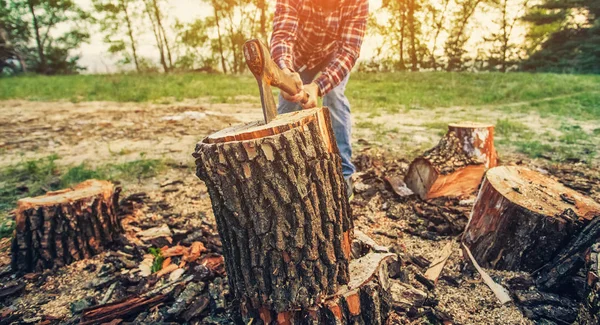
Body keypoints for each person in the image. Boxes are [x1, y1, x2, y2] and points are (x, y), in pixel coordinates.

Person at [270, 0, 369, 199]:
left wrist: (318, 86)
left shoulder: (358, 2)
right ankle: (282, 171)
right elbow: (282, 35)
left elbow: (349, 50)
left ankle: (344, 174)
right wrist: (285, 73)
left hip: (334, 57)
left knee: (334, 96)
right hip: (296, 56)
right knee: (288, 106)